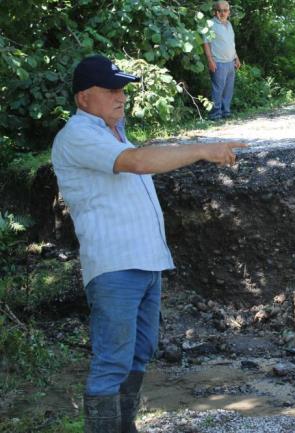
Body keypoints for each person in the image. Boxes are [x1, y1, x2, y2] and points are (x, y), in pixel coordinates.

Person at [51, 54, 246, 433]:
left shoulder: (118, 135)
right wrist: (202, 149)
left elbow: (136, 159)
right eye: (110, 89)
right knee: (113, 362)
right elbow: (137, 163)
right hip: (115, 266)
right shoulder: (78, 135)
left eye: (122, 89)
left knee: (139, 354)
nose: (120, 96)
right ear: (83, 98)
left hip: (145, 263)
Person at [202, 0, 241, 121]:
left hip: (230, 62)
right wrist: (210, 60)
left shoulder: (229, 24)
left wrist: (236, 57)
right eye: (220, 10)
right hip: (218, 62)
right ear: (215, 12)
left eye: (225, 10)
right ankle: (215, 114)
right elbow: (206, 43)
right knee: (217, 90)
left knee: (228, 90)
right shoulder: (209, 24)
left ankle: (226, 112)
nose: (222, 13)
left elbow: (231, 43)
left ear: (229, 12)